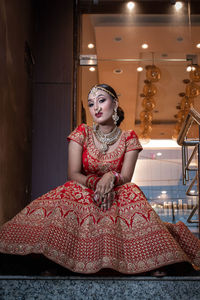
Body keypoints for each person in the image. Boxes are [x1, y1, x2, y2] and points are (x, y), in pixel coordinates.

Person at [0, 83, 200, 276]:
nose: (95, 107)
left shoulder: (129, 137)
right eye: (90, 103)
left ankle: (155, 259)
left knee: (132, 190)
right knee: (72, 188)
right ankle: (55, 259)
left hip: (116, 190)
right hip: (85, 189)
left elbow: (126, 176)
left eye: (101, 100)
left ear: (114, 103)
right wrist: (95, 183)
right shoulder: (82, 133)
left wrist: (110, 177)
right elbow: (73, 173)